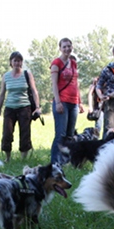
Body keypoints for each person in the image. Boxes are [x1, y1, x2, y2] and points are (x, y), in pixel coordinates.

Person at [0, 51, 41, 163]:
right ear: (11, 62)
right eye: (15, 60)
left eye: (19, 61)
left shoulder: (27, 74)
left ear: (22, 62)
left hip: (25, 108)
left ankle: (23, 158)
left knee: (25, 133)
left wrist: (37, 107)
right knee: (7, 133)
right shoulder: (6, 76)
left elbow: (34, 91)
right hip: (9, 108)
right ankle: (7, 158)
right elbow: (2, 94)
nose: (17, 63)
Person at [50, 37, 83, 165]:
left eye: (69, 46)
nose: (67, 48)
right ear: (60, 48)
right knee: (61, 135)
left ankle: (65, 161)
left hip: (73, 102)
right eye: (64, 46)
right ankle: (55, 162)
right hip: (62, 101)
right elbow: (54, 84)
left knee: (70, 135)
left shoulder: (73, 63)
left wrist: (79, 102)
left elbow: (76, 84)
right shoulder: (56, 63)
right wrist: (58, 102)